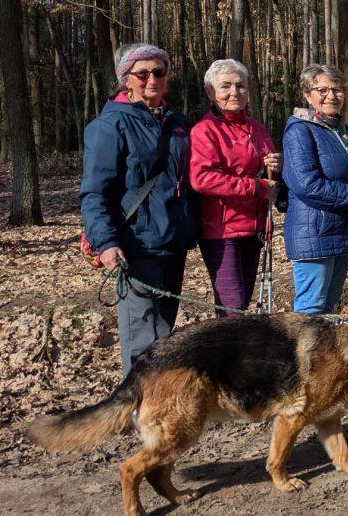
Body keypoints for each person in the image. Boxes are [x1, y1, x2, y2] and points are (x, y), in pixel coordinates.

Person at [80, 43, 197, 377]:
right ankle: (138, 411)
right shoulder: (109, 125)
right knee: (143, 339)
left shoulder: (178, 123)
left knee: (164, 335)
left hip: (172, 244)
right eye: (142, 73)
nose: (152, 79)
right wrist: (106, 243)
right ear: (125, 79)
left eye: (159, 72)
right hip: (135, 246)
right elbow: (94, 192)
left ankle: (154, 411)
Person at [282, 64, 348, 315]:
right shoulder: (299, 130)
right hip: (314, 233)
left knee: (328, 308)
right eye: (322, 89)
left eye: (337, 89)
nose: (331, 96)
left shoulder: (346, 133)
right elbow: (306, 185)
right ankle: (303, 356)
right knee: (310, 310)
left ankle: (322, 356)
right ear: (307, 94)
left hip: (343, 231)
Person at [189, 59, 282, 317]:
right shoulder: (204, 131)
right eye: (226, 86)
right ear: (210, 92)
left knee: (243, 301)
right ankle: (225, 356)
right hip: (222, 230)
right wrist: (255, 187)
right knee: (232, 306)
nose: (234, 92)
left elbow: (268, 172)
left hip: (254, 227)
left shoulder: (257, 128)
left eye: (240, 86)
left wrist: (275, 164)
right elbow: (202, 178)